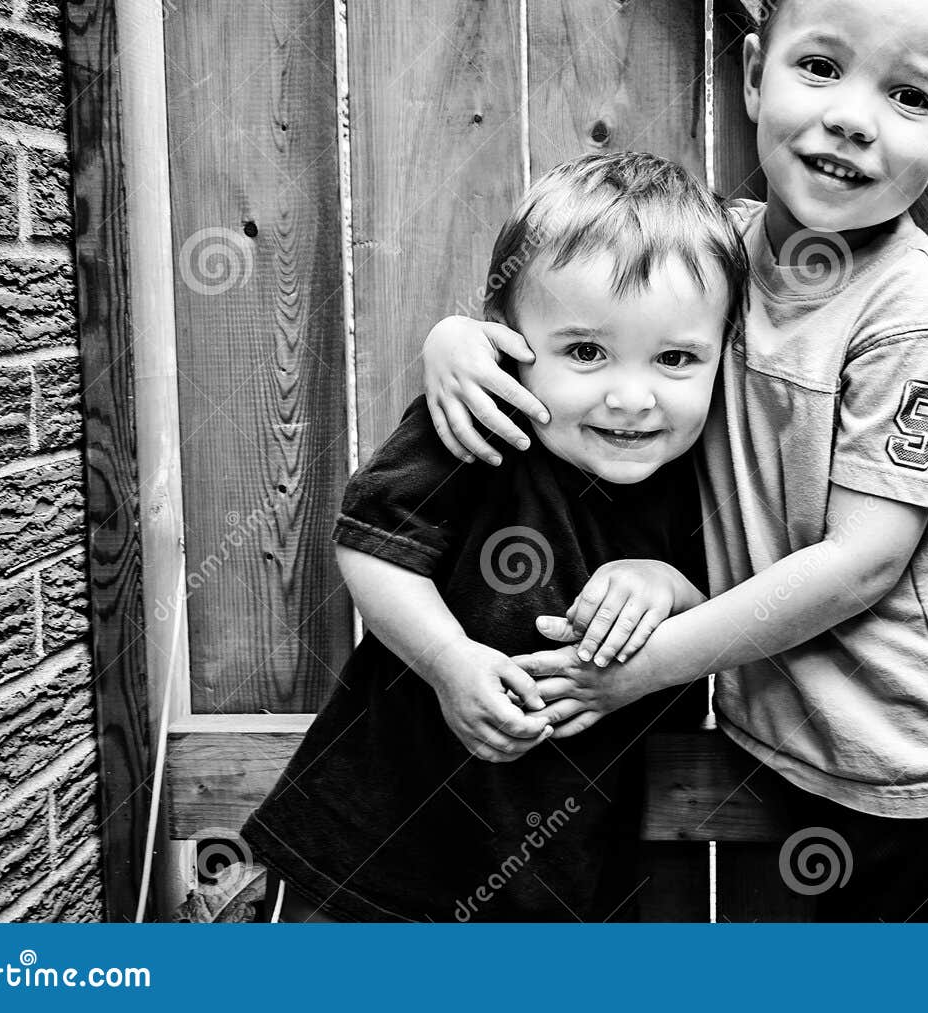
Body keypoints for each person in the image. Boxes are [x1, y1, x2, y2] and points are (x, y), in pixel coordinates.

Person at [422, 0, 928, 922]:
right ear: (756, 70)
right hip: (794, 741)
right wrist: (454, 340)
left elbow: (858, 561)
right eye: (821, 67)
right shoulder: (713, 252)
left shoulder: (917, 324)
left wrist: (629, 675)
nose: (853, 115)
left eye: (908, 95)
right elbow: (561, 319)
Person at [240, 151, 746, 921]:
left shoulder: (708, 467)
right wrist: (448, 661)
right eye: (585, 351)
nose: (634, 396)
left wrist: (665, 584)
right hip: (373, 848)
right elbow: (371, 543)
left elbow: (725, 602)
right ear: (508, 342)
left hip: (565, 874)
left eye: (675, 358)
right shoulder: (484, 426)